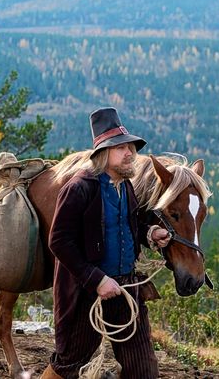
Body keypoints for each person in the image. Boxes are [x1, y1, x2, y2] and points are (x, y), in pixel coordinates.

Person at [42, 107, 171, 379]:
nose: (130, 153)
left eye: (131, 148)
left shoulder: (125, 186)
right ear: (103, 153)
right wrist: (97, 280)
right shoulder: (79, 188)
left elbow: (127, 226)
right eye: (120, 148)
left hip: (126, 290)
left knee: (143, 370)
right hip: (84, 296)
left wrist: (149, 234)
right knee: (68, 366)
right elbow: (59, 241)